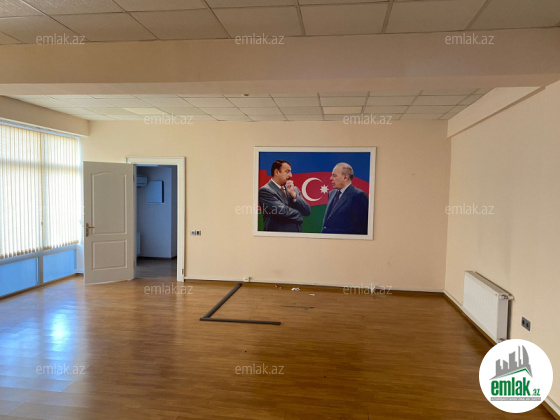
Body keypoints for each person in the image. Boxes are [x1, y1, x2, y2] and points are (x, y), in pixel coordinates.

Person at [259, 160, 311, 232]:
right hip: (276, 237)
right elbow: (283, 212)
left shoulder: (294, 190)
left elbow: (307, 211)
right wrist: (300, 214)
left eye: (290, 172)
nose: (291, 175)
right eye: (287, 171)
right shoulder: (265, 191)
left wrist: (294, 195)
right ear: (277, 172)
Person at [322, 162, 369, 235]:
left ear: (345, 178)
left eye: (334, 175)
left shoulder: (359, 195)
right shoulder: (331, 194)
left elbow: (362, 229)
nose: (331, 178)